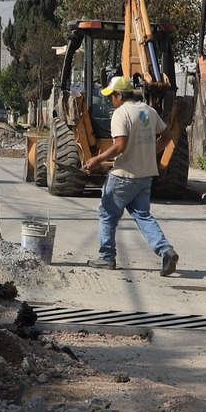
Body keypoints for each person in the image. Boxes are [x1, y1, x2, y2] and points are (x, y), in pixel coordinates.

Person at [82, 75, 179, 275]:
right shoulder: (148, 111)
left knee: (107, 215)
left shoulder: (120, 113)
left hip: (123, 176)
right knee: (143, 215)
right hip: (145, 176)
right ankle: (165, 250)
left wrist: (96, 160)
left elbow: (120, 146)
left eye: (112, 96)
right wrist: (151, 152)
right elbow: (167, 135)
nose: (110, 100)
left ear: (119, 95)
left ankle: (107, 257)